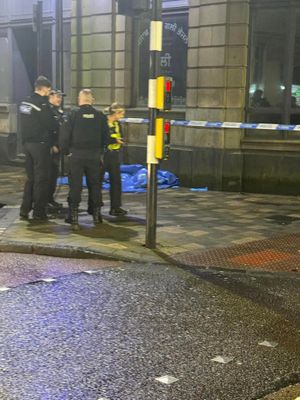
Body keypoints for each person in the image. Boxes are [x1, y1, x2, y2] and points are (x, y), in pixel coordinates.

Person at [60, 89, 108, 229]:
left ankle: (73, 216)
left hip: (76, 155)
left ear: (79, 99)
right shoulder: (100, 116)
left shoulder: (73, 114)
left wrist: (66, 151)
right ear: (91, 100)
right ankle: (97, 215)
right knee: (95, 185)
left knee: (75, 185)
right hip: (94, 155)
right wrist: (101, 151)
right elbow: (106, 136)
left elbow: (64, 135)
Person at [19, 75, 57, 221]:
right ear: (43, 88)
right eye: (49, 89)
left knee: (31, 178)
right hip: (40, 145)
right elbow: (51, 124)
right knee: (42, 179)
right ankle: (39, 212)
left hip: (27, 145)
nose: (50, 92)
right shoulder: (42, 104)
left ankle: (24, 209)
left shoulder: (25, 102)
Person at [101, 102, 127, 217]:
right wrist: (114, 141)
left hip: (114, 155)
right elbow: (102, 138)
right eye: (121, 114)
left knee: (116, 182)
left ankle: (115, 207)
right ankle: (95, 207)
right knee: (97, 181)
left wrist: (120, 140)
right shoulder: (103, 123)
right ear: (116, 113)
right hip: (103, 155)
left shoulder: (117, 124)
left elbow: (119, 135)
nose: (122, 116)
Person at [48, 89, 65, 211]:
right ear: (50, 96)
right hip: (50, 150)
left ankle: (50, 199)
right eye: (57, 96)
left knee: (54, 175)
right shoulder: (48, 111)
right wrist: (51, 145)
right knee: (48, 175)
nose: (59, 99)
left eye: (60, 97)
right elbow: (46, 130)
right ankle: (45, 200)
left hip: (58, 148)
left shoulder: (59, 111)